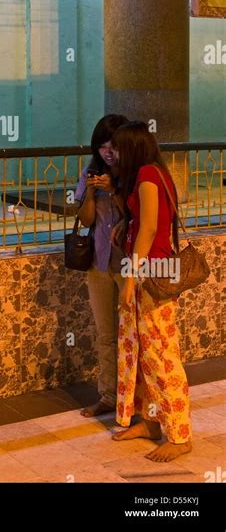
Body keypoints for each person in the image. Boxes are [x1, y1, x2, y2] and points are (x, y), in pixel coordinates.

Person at [110, 121, 192, 462]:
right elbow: (143, 223)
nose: (113, 153)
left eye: (117, 148)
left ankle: (180, 433)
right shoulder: (153, 171)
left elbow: (151, 229)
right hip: (148, 269)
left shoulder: (147, 174)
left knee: (160, 354)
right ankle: (149, 421)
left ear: (132, 147)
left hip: (152, 272)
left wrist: (129, 278)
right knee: (140, 351)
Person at [75, 114, 128, 417]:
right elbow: (85, 220)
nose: (108, 152)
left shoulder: (132, 173)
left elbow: (135, 214)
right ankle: (108, 395)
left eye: (113, 146)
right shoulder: (90, 172)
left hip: (127, 264)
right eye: (102, 146)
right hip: (98, 261)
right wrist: (93, 192)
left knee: (131, 334)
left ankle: (133, 398)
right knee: (105, 334)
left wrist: (113, 190)